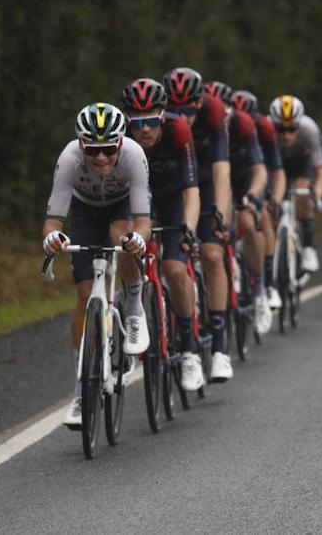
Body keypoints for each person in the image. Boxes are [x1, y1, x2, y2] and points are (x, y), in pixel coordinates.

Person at [42, 103, 151, 427]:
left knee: (123, 237)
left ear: (119, 143)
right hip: (86, 211)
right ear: (80, 145)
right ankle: (80, 393)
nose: (101, 158)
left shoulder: (133, 156)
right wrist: (52, 240)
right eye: (93, 150)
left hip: (121, 208)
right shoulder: (68, 160)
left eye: (107, 149)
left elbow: (143, 220)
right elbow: (53, 221)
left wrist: (139, 241)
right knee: (85, 296)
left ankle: (133, 306)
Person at [121, 78, 205, 392]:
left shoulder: (179, 131)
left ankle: (189, 350)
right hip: (134, 202)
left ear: (163, 116)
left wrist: (189, 230)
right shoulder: (119, 139)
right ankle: (131, 319)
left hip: (172, 201)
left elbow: (191, 190)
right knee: (125, 249)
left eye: (151, 122)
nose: (144, 130)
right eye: (137, 122)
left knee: (173, 268)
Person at [162, 67, 235, 383]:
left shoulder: (214, 111)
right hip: (171, 187)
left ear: (200, 104)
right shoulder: (160, 123)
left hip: (206, 183)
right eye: (174, 111)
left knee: (213, 253)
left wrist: (219, 212)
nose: (182, 117)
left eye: (188, 112)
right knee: (168, 260)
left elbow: (222, 171)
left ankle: (219, 350)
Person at [232, 90, 287, 333]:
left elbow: (275, 171)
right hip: (225, 179)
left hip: (251, 179)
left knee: (262, 214)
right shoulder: (224, 127)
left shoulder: (263, 130)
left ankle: (264, 283)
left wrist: (273, 199)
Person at [271, 95, 322, 278]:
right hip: (277, 163)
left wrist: (316, 196)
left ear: (299, 124)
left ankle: (309, 248)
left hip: (301, 162)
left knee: (303, 192)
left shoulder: (309, 129)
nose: (286, 135)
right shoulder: (266, 130)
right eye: (281, 129)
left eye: (291, 129)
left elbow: (320, 170)